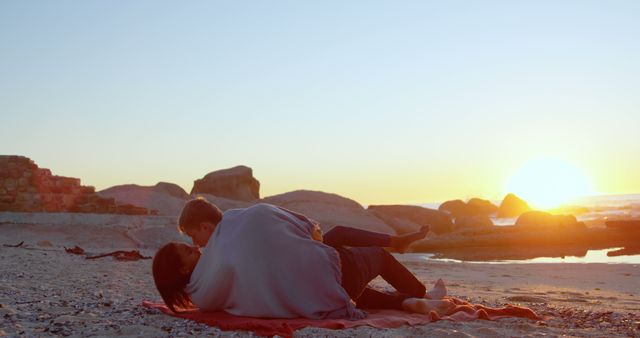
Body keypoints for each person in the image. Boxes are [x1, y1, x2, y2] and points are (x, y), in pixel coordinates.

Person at [153, 199, 453, 318]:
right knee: (375, 256)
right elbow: (312, 230)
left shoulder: (204, 285)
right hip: (332, 279)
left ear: (206, 227)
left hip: (312, 294)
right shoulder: (247, 221)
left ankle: (406, 302)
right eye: (190, 246)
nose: (196, 245)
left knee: (333, 247)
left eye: (193, 239)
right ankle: (419, 290)